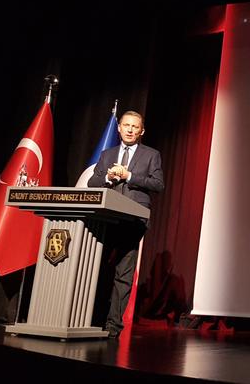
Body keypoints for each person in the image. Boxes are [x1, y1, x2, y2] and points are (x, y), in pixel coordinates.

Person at [88, 110, 164, 338]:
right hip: (105, 219)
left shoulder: (151, 155)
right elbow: (93, 182)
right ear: (119, 127)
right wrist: (109, 178)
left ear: (142, 131)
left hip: (133, 220)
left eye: (135, 127)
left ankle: (113, 327)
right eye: (126, 125)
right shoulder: (107, 153)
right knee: (99, 270)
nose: (130, 130)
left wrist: (129, 175)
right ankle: (93, 320)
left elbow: (158, 184)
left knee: (123, 273)